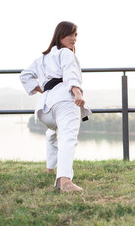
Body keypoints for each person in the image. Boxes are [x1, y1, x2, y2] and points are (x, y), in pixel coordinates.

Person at [20, 21, 91, 192]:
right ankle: (65, 182)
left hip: (45, 109)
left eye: (76, 35)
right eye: (71, 34)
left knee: (54, 132)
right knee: (68, 137)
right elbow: (70, 73)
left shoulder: (41, 59)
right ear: (60, 36)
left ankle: (50, 167)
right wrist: (77, 93)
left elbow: (25, 76)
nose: (74, 38)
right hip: (64, 100)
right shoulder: (66, 53)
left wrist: (42, 89)